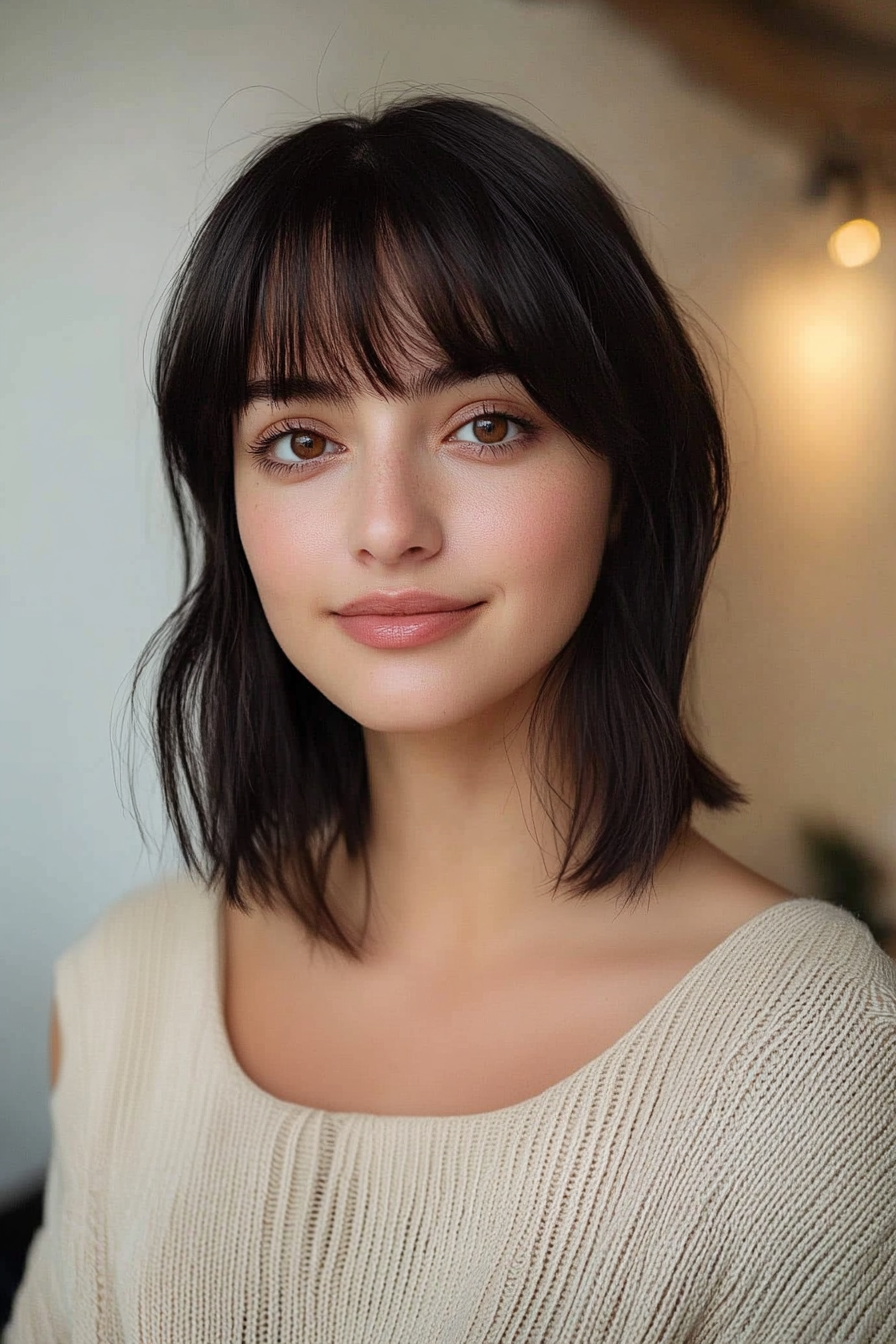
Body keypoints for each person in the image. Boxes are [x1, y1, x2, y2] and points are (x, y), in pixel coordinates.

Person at [6, 92, 895, 1343]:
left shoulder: (810, 1053)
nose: (388, 524)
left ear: (624, 482)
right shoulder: (124, 992)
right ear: (233, 507)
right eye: (301, 440)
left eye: (487, 425)